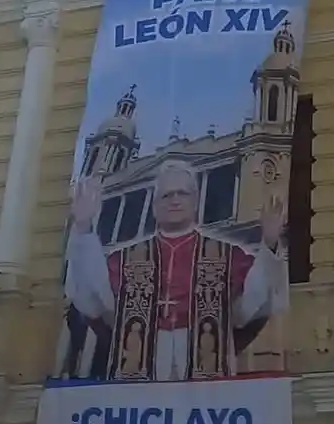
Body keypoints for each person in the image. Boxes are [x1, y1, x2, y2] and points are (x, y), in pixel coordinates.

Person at [64, 159, 288, 382]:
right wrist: (83, 229)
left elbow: (251, 307)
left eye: (182, 194)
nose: (175, 201)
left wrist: (269, 245)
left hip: (205, 373)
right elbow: (92, 301)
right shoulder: (122, 260)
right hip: (137, 376)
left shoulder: (229, 256)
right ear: (154, 208)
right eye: (167, 195)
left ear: (195, 202)